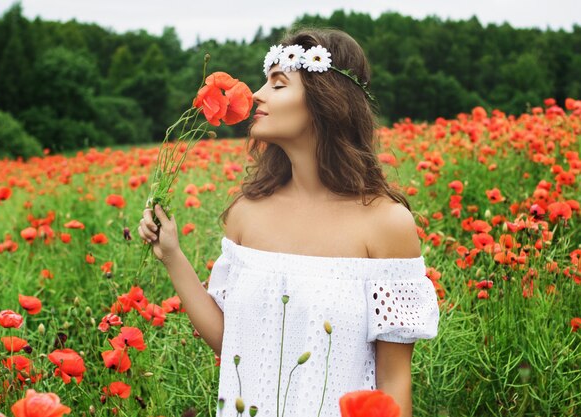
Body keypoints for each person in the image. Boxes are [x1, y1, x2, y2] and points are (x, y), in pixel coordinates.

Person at [138, 27, 440, 417]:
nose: (258, 95)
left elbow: (394, 380)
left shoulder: (385, 224)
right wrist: (172, 256)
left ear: (325, 102)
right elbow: (233, 343)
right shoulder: (247, 213)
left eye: (278, 84)